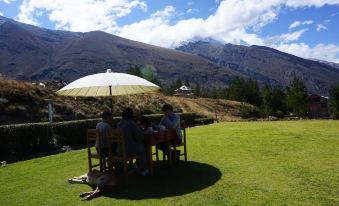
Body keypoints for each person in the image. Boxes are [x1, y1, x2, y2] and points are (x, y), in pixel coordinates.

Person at [117, 108, 148, 176]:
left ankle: (136, 166)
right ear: (131, 115)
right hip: (129, 150)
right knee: (145, 147)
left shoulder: (119, 124)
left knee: (140, 146)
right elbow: (140, 137)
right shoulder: (131, 123)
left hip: (119, 150)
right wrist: (140, 129)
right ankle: (142, 169)